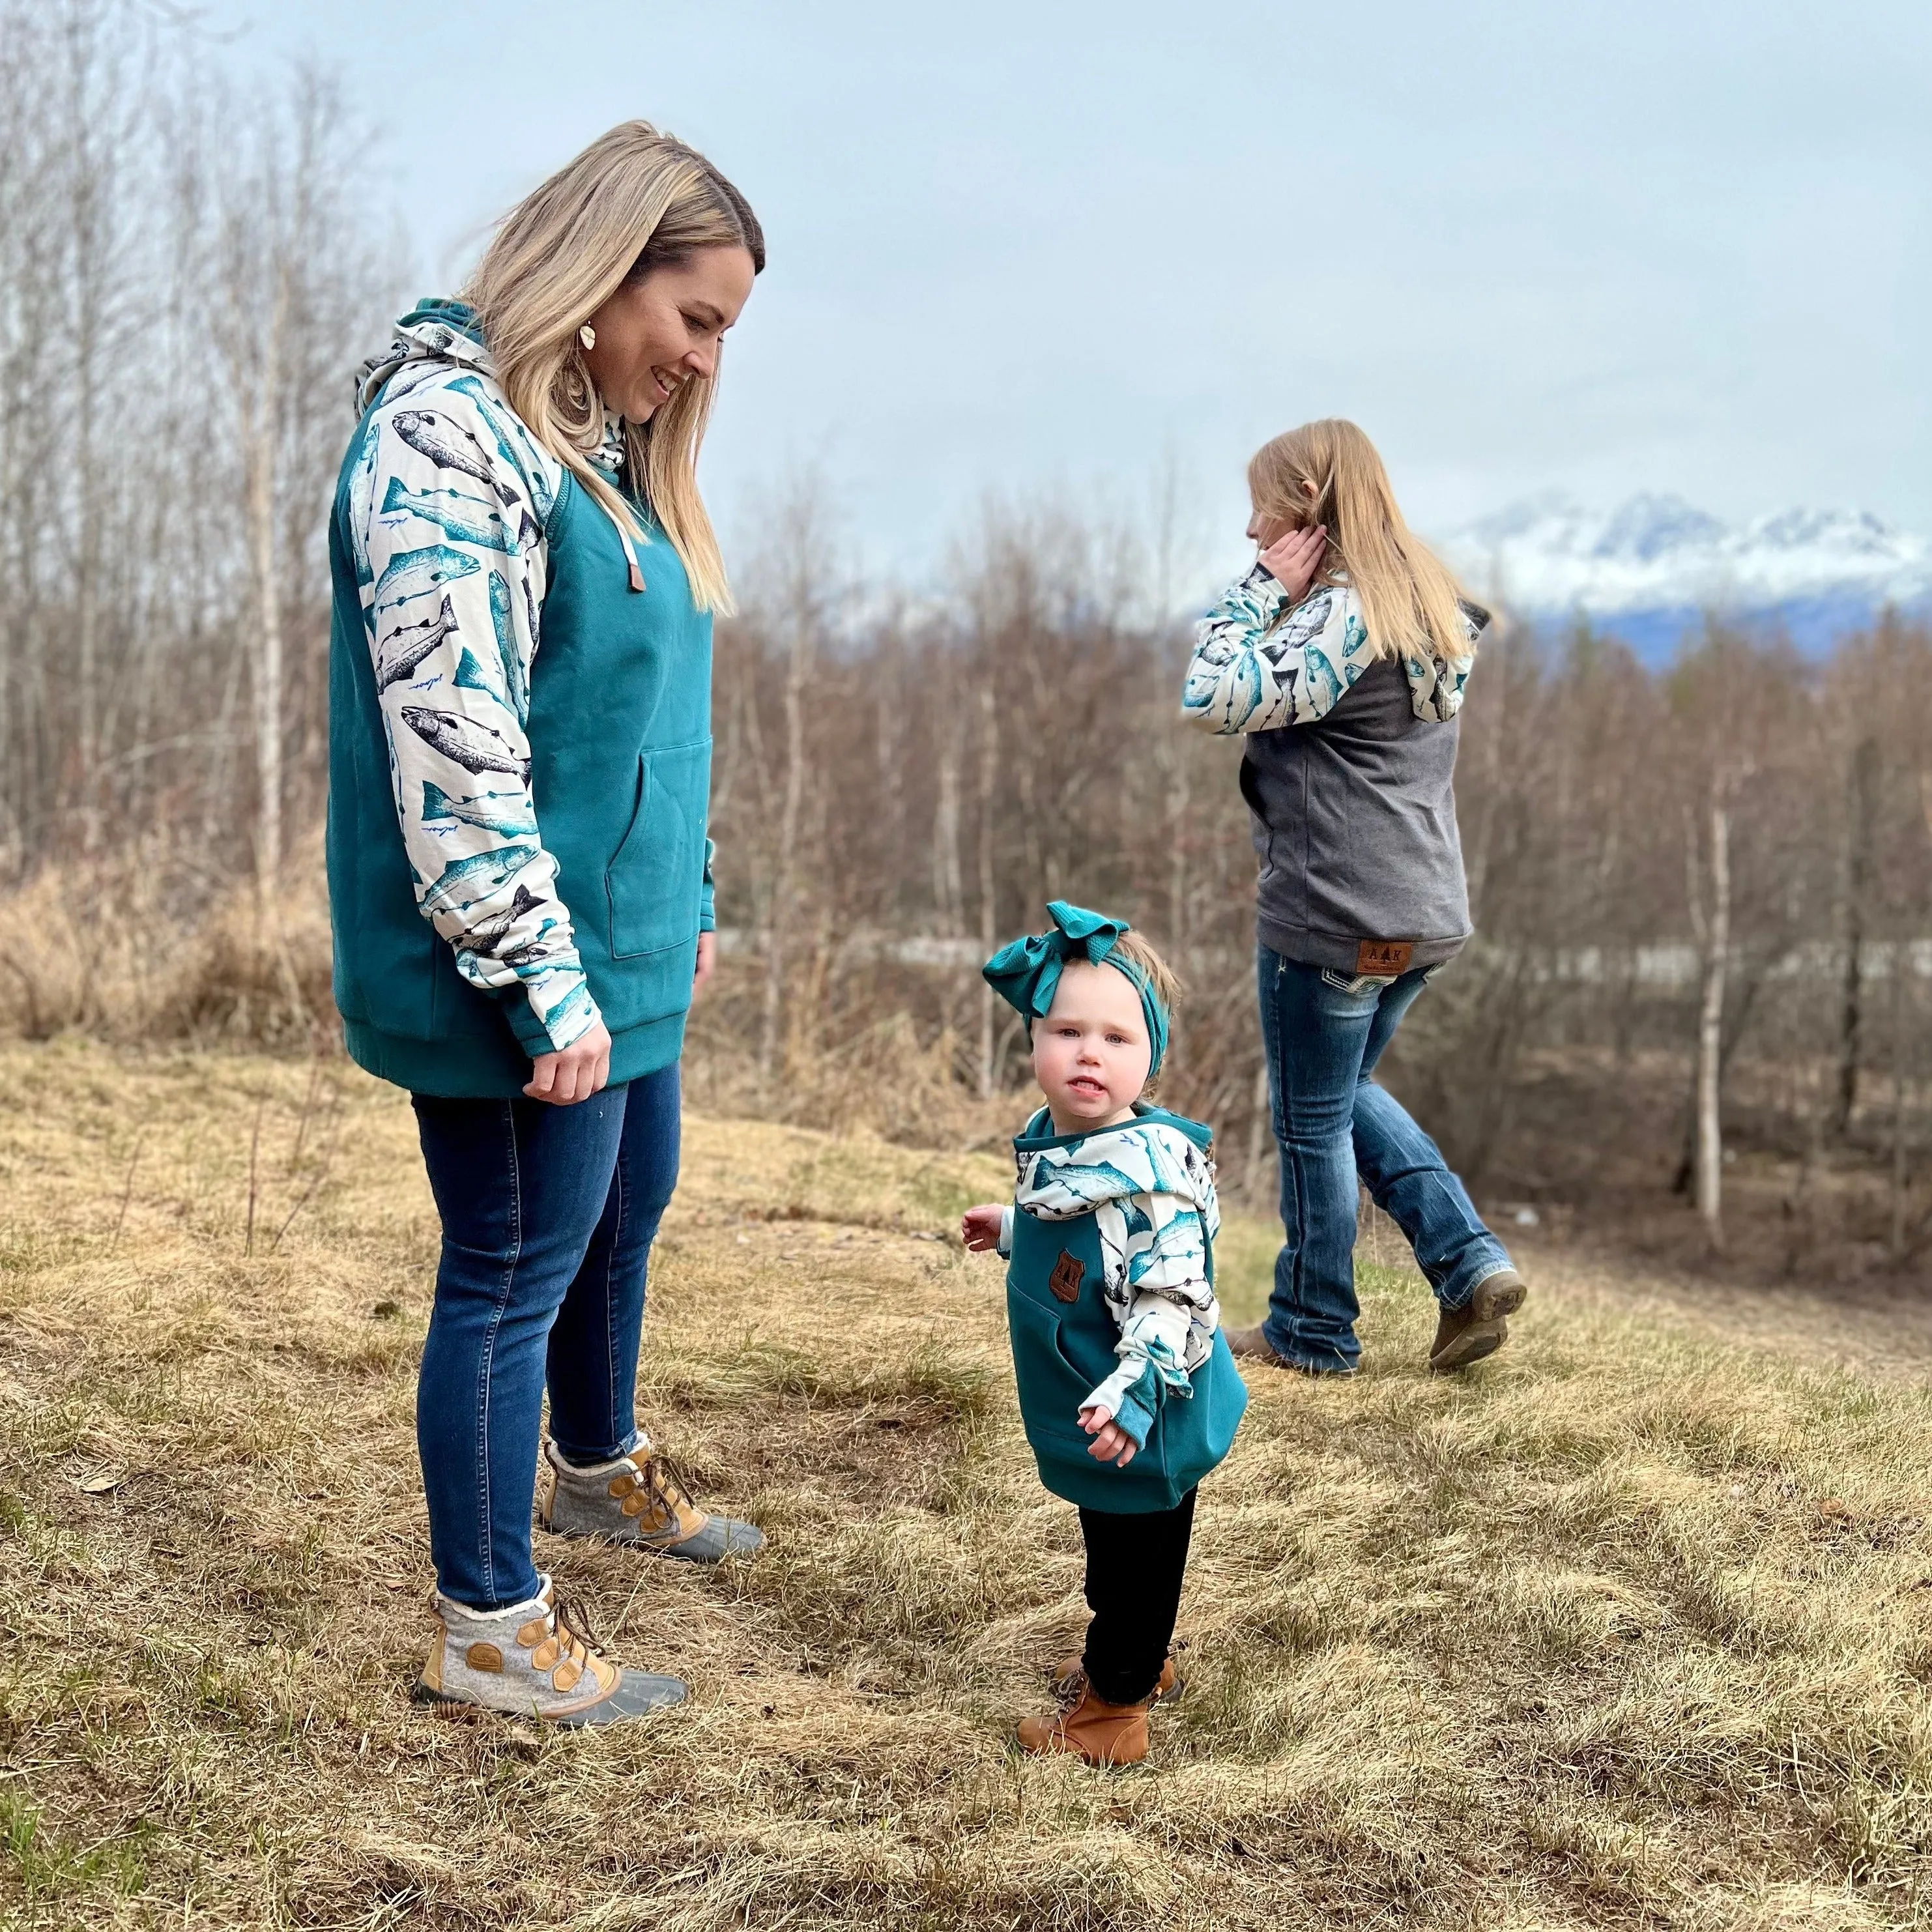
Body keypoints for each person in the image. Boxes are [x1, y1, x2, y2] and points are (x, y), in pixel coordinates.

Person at [326, 123, 765, 1726]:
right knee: (510, 1264)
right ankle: (493, 1628)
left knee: (625, 1202)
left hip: (622, 950)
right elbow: (456, 744)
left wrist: (692, 897)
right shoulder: (451, 440)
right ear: (601, 270)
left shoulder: (606, 454)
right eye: (694, 318)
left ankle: (591, 1465)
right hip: (517, 963)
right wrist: (537, 978)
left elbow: (649, 724)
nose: (707, 362)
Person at [1181, 418, 1527, 1378]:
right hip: (1422, 913)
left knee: (1309, 1118)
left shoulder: (1346, 618)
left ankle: (1313, 1330)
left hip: (1334, 915)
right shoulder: (1429, 606)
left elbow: (1211, 695)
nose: (1253, 529)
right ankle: (1467, 1268)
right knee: (1338, 1097)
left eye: (1265, 506)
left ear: (1311, 506)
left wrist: (1260, 596)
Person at [960, 903, 1248, 1767]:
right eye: (1067, 1030)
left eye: (1117, 1039)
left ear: (1149, 1058)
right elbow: (1085, 1241)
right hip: (1104, 1406)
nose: (1089, 1052)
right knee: (1120, 1552)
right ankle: (1133, 1656)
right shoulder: (1069, 1144)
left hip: (1145, 1405)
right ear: (1035, 1041)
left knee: (1134, 1565)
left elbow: (1168, 1292)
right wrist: (1015, 1230)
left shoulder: (1150, 1176)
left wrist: (1135, 1394)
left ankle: (1113, 1711)